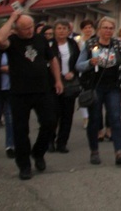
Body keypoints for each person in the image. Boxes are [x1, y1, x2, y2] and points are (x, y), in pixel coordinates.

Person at [0, 11, 63, 180]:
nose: (30, 31)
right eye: (25, 28)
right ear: (17, 29)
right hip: (20, 93)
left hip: (42, 89)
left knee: (50, 122)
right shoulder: (13, 42)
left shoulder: (40, 39)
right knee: (20, 130)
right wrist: (12, 18)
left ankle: (38, 152)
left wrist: (58, 80)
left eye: (31, 26)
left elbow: (52, 59)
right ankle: (24, 165)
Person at [76, 16, 121, 166]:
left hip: (113, 87)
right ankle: (94, 151)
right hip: (95, 87)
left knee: (115, 117)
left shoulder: (118, 45)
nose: (108, 31)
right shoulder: (90, 44)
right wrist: (90, 62)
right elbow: (78, 66)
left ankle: (119, 153)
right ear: (99, 29)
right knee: (94, 120)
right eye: (105, 28)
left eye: (111, 28)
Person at [49, 19, 81, 153]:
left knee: (67, 115)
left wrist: (73, 72)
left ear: (69, 31)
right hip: (53, 83)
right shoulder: (50, 45)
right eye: (59, 28)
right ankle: (49, 140)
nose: (62, 31)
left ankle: (62, 142)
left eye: (64, 29)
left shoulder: (73, 44)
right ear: (54, 31)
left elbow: (78, 61)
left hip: (70, 83)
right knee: (53, 115)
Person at [77, 19, 95, 129]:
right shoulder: (78, 41)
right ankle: (85, 117)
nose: (88, 30)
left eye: (90, 27)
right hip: (81, 69)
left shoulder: (95, 40)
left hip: (93, 69)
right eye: (86, 28)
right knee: (83, 94)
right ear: (82, 30)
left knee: (93, 93)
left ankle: (92, 116)